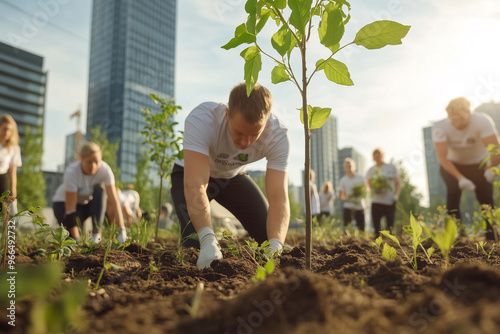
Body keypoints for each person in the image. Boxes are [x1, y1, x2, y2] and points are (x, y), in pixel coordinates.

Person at [171, 83, 290, 269]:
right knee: (194, 245)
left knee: (269, 236)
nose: (245, 142)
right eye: (239, 132)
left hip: (232, 177)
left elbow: (279, 199)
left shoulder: (278, 136)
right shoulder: (202, 119)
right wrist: (208, 239)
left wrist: (275, 246)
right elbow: (196, 184)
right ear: (227, 115)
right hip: (190, 174)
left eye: (254, 135)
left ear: (266, 124)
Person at [432, 97, 500, 240]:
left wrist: (490, 168)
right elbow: (443, 158)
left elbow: (495, 150)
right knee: (453, 193)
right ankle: (455, 234)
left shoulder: (482, 121)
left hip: (480, 164)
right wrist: (461, 178)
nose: (456, 123)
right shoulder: (440, 128)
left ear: (468, 113)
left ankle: (492, 234)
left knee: (486, 198)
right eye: (452, 119)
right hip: (452, 165)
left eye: (460, 119)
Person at [52, 142, 127, 243]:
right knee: (72, 239)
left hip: (85, 204)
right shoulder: (72, 173)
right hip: (63, 205)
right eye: (89, 162)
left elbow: (114, 200)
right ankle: (74, 238)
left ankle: (97, 235)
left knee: (100, 191)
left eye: (97, 161)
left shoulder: (105, 170)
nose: (93, 166)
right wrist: (76, 239)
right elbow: (70, 210)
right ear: (81, 159)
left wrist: (122, 230)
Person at [366, 148, 401, 235]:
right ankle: (377, 246)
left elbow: (397, 183)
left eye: (379, 155)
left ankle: (390, 245)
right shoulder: (371, 170)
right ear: (373, 158)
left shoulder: (391, 168)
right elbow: (368, 185)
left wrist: (396, 196)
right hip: (376, 201)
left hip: (389, 201)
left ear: (382, 156)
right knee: (376, 230)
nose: (377, 157)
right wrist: (375, 187)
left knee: (390, 228)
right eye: (375, 156)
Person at [0, 115, 22, 216]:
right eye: (4, 129)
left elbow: (12, 172)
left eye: (9, 130)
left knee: (4, 212)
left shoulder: (14, 148)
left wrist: (13, 194)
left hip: (2, 178)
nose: (7, 132)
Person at [339, 158, 366, 231]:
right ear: (345, 168)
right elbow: (341, 196)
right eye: (347, 166)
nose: (348, 168)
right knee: (347, 228)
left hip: (359, 206)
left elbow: (365, 191)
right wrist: (346, 199)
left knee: (361, 228)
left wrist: (358, 193)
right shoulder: (343, 180)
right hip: (348, 207)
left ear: (353, 166)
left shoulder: (360, 178)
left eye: (350, 166)